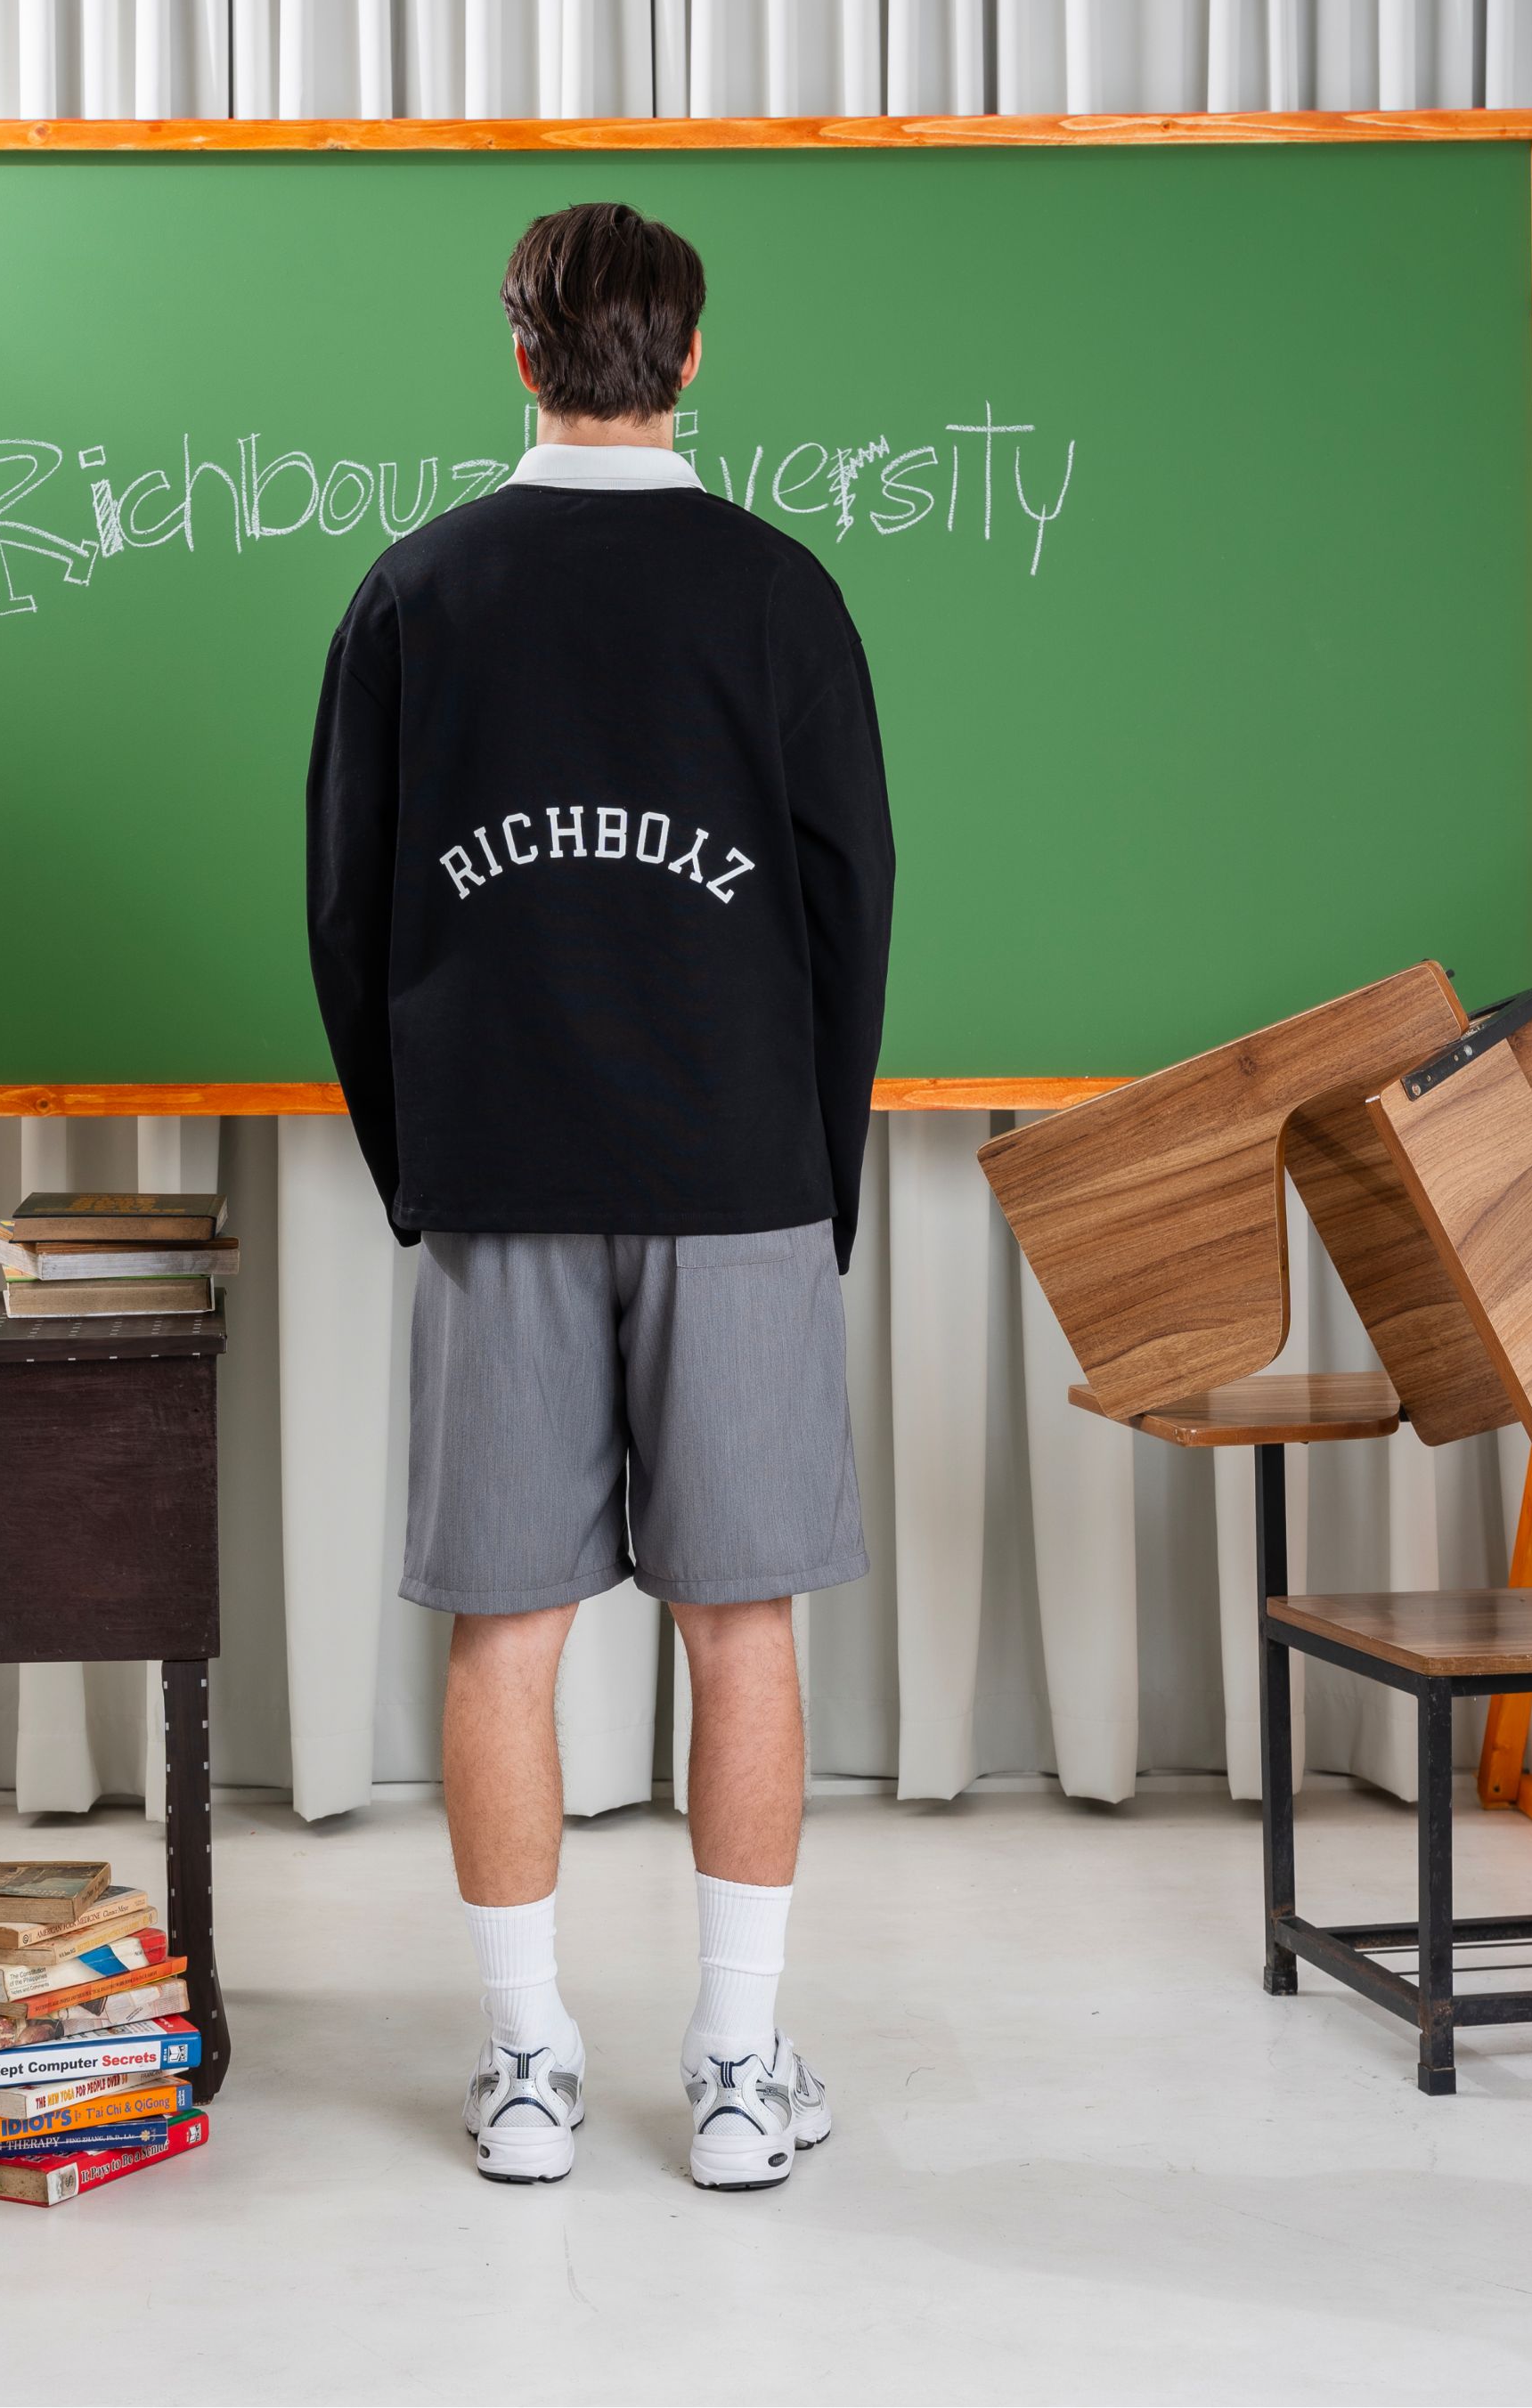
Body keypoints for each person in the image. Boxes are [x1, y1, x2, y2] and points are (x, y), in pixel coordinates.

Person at [306, 200, 894, 2192]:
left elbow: (344, 911)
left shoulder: (416, 591)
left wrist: (429, 1166)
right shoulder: (779, 592)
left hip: (503, 1176)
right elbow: (846, 908)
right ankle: (735, 2071)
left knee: (504, 1643)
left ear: (522, 352)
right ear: (690, 356)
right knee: (745, 1636)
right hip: (739, 1167)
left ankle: (531, 2067)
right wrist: (812, 1176)